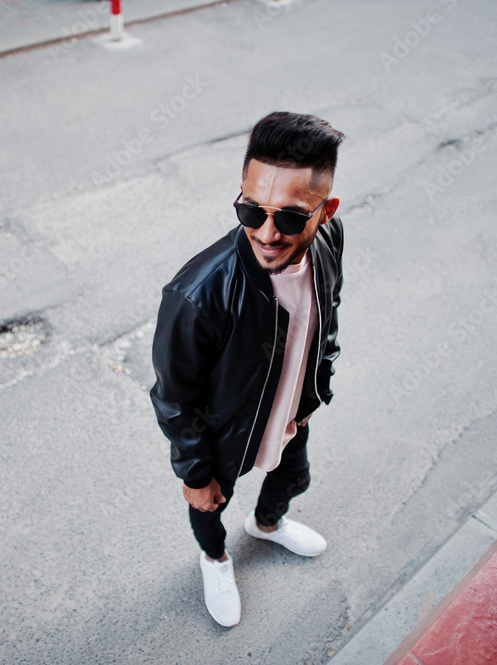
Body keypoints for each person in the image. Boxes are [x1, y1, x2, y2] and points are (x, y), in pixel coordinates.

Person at [149, 111, 345, 626]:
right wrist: (195, 474)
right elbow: (174, 397)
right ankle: (215, 559)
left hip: (293, 413)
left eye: (291, 218)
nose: (267, 232)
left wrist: (314, 391)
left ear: (326, 213)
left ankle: (267, 524)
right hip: (225, 435)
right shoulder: (198, 294)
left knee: (293, 475)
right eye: (251, 210)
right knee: (209, 508)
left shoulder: (330, 242)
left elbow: (327, 315)